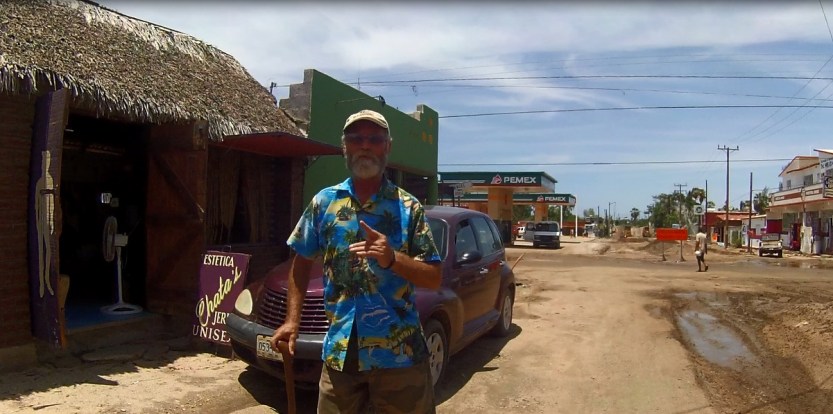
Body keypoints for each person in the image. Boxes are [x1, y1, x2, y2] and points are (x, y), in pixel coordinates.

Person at [270, 109, 443, 414]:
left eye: (374, 139)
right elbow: (301, 262)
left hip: (399, 357)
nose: (365, 146)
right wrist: (291, 321)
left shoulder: (408, 207)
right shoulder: (324, 203)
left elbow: (433, 276)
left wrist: (392, 259)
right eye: (356, 138)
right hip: (340, 355)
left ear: (387, 147)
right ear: (345, 147)